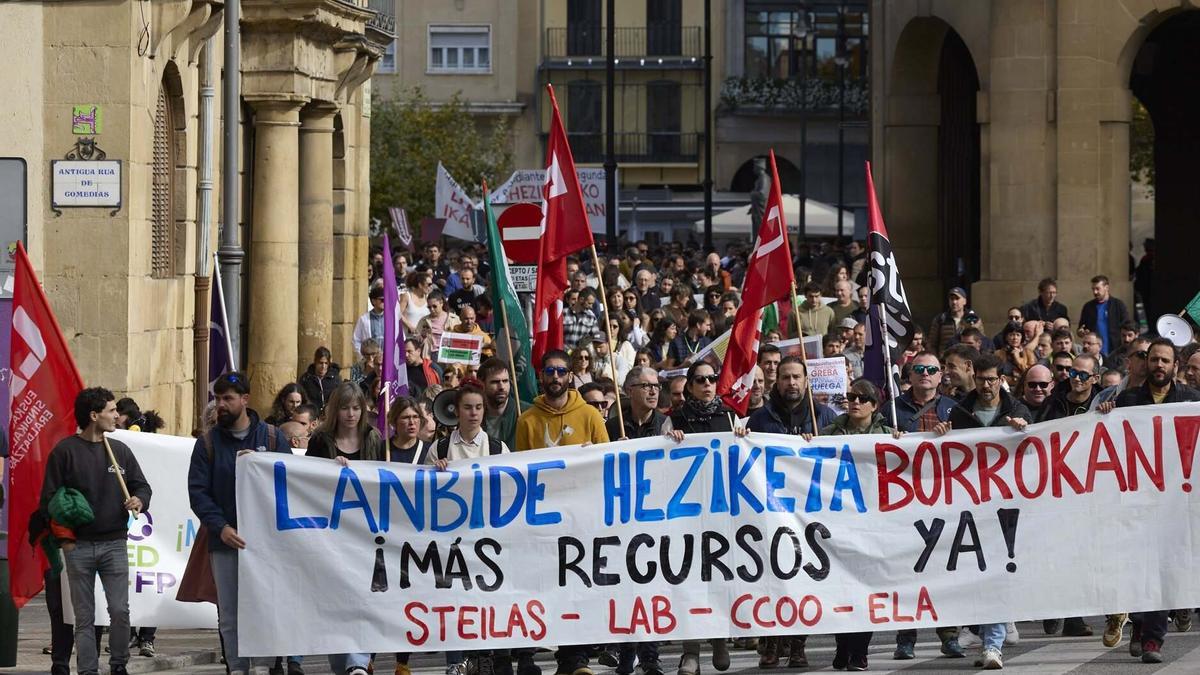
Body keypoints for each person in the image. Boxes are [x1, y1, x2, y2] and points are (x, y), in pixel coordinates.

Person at [1099, 338, 1200, 663]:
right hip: (1136, 499)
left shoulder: (1191, 401)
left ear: (1175, 367)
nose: (1158, 365)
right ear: (1146, 363)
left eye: (1165, 361)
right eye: (1153, 359)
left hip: (1174, 501)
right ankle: (1139, 625)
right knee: (1137, 567)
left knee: (1162, 567)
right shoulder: (1127, 401)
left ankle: (1153, 639)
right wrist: (1103, 417)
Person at [38, 388, 152, 675]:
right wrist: (65, 536)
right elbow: (49, 500)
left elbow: (142, 485)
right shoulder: (65, 452)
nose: (117, 416)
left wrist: (139, 499)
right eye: (111, 411)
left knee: (119, 611)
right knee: (85, 616)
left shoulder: (120, 450)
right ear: (93, 415)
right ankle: (88, 670)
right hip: (78, 547)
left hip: (114, 543)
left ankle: (118, 665)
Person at [188, 372, 290, 675]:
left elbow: (292, 481)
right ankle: (237, 668)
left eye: (228, 398)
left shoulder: (272, 438)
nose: (221, 404)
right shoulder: (207, 444)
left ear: (244, 400)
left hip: (267, 544)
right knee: (230, 614)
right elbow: (199, 493)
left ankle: (263, 666)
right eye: (218, 399)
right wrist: (221, 527)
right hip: (225, 542)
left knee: (265, 608)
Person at [934, 354, 1031, 670]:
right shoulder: (960, 411)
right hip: (971, 506)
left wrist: (1024, 431)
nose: (986, 385)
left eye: (992, 379)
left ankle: (993, 644)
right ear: (973, 377)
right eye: (981, 379)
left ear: (1001, 378)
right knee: (976, 572)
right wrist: (941, 435)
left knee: (998, 573)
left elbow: (1038, 449)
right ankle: (978, 629)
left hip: (1008, 506)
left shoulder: (1016, 410)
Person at [515, 350, 609, 675]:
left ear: (570, 376)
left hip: (582, 521)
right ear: (542, 376)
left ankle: (576, 659)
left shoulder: (591, 417)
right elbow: (520, 473)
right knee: (549, 589)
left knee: (578, 587)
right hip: (543, 521)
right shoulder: (526, 420)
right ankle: (549, 657)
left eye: (561, 371)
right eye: (549, 371)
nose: (555, 377)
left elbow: (606, 465)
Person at [662, 361, 741, 675]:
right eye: (700, 380)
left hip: (722, 514)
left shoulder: (730, 417)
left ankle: (720, 640)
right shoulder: (675, 420)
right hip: (687, 515)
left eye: (712, 379)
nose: (707, 384)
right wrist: (669, 441)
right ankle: (691, 650)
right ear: (690, 386)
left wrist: (741, 437)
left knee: (720, 578)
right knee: (690, 581)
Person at [819, 379, 902, 671]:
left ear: (874, 405)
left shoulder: (887, 434)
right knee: (841, 589)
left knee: (867, 588)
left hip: (872, 525)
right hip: (838, 523)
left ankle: (859, 651)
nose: (854, 402)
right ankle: (843, 645)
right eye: (850, 397)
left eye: (861, 398)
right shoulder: (829, 432)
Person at [893, 352, 957, 434]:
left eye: (932, 370)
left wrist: (949, 434)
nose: (925, 373)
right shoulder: (892, 408)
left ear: (940, 377)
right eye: (919, 369)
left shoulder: (954, 408)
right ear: (910, 376)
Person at [1079, 275, 1131, 356]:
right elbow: (1081, 328)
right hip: (1094, 353)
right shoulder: (1088, 307)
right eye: (1093, 289)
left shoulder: (1118, 305)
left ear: (1106, 287)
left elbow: (1127, 326)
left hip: (1115, 351)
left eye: (1097, 289)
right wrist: (1081, 332)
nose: (1095, 292)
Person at [480, 359, 520, 450]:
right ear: (482, 384)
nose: (502, 387)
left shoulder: (524, 413)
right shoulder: (474, 415)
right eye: (495, 382)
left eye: (505, 381)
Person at [385, 397, 428, 464]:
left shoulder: (429, 451)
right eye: (406, 417)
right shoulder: (381, 449)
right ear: (394, 421)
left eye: (415, 417)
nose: (411, 422)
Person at [928, 287, 969, 355]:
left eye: (957, 299)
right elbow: (932, 344)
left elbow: (980, 341)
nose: (954, 302)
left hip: (966, 358)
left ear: (964, 301)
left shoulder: (972, 319)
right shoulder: (941, 319)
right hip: (945, 360)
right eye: (951, 299)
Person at [299, 346, 340, 413]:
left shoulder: (336, 379)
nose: (323, 366)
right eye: (321, 363)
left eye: (326, 363)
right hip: (312, 415)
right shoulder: (306, 379)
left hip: (331, 415)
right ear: (315, 362)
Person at [352, 285, 386, 355]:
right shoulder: (364, 319)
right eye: (382, 300)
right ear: (373, 301)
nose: (385, 302)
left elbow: (400, 338)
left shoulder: (392, 319)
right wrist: (364, 356)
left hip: (388, 358)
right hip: (371, 359)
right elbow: (356, 340)